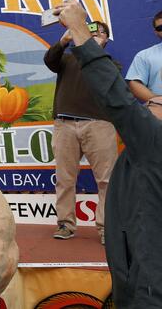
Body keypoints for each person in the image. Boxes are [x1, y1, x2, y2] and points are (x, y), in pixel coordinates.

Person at [53, 0, 162, 307]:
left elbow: (115, 96)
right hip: (138, 280)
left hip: (150, 292)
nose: (148, 105)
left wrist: (79, 29)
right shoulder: (147, 149)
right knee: (66, 179)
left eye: (153, 104)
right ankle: (65, 223)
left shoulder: (153, 141)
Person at [44, 23, 117, 244]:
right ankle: (65, 224)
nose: (93, 35)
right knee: (65, 179)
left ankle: (107, 228)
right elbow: (50, 60)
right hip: (65, 124)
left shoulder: (110, 63)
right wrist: (65, 40)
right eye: (89, 32)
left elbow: (108, 81)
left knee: (107, 180)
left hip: (99, 124)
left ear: (106, 39)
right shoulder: (67, 59)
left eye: (98, 33)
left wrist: (93, 50)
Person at [125, 10, 162, 119]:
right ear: (155, 32)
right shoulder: (144, 55)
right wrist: (158, 102)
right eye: (160, 28)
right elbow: (134, 84)